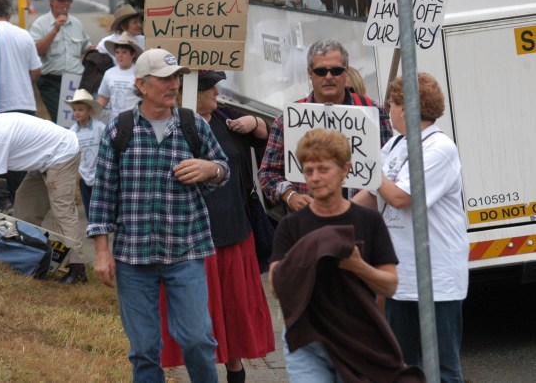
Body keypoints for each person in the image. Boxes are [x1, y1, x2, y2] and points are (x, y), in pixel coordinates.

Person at [87, 48, 230, 382]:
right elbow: (103, 196)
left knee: (197, 340)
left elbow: (224, 170)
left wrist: (211, 168)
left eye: (175, 77)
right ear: (142, 84)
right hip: (133, 257)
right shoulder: (118, 130)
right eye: (164, 79)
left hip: (186, 250)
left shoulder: (192, 125)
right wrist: (102, 252)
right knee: (144, 350)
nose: (173, 85)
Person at [269, 129, 414, 383]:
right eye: (309, 170)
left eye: (323, 169)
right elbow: (276, 285)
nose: (315, 178)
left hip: (356, 336)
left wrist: (358, 266)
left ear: (345, 170)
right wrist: (310, 250)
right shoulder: (291, 226)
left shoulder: (368, 221)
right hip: (307, 339)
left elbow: (389, 285)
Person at [353, 73, 468, 383]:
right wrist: (332, 215)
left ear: (404, 109)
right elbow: (373, 194)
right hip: (401, 277)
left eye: (391, 104)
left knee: (442, 370)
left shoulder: (439, 149)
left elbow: (400, 196)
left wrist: (366, 163)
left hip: (436, 279)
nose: (388, 110)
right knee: (403, 368)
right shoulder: (396, 143)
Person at [160, 70, 273, 383]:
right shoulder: (173, 126)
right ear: (192, 94)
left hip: (235, 231)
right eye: (210, 88)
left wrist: (258, 125)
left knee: (233, 310)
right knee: (201, 315)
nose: (216, 94)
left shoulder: (228, 118)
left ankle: (235, 370)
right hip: (193, 239)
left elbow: (273, 148)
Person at [0, 108, 88, 284]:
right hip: (45, 156)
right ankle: (29, 254)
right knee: (24, 201)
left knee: (62, 211)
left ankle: (78, 270)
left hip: (62, 153)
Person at [259, 38, 392, 216]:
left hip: (362, 221)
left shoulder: (374, 113)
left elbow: (392, 167)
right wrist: (291, 196)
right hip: (308, 226)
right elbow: (268, 173)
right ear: (310, 73)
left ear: (346, 72)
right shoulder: (289, 119)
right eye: (321, 71)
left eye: (336, 70)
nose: (329, 77)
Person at [28, 0, 92, 122]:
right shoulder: (40, 24)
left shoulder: (76, 24)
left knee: (78, 121)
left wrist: (96, 48)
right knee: (62, 121)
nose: (66, 4)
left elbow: (85, 48)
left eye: (68, 0)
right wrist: (54, 30)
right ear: (51, 1)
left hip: (75, 80)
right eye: (62, 0)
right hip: (51, 82)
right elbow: (36, 51)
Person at [0, 0, 42, 115]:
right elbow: (36, 70)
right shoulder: (25, 34)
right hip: (26, 102)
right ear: (10, 14)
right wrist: (25, 84)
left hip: (0, 104)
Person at [82, 5, 144, 96]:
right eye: (135, 22)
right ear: (123, 26)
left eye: (139, 21)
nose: (139, 25)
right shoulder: (106, 43)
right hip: (115, 91)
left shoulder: (144, 40)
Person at [65, 89, 105, 222]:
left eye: (81, 109)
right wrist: (76, 172)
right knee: (86, 200)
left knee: (99, 200)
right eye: (75, 109)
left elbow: (106, 147)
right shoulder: (72, 131)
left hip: (98, 171)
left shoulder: (100, 128)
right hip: (82, 173)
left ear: (90, 111)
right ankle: (91, 225)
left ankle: (101, 222)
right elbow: (72, 153)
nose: (77, 112)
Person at [96, 31, 143, 121]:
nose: (120, 55)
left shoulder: (139, 73)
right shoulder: (109, 73)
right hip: (115, 121)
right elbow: (103, 98)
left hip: (135, 121)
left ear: (133, 54)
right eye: (117, 52)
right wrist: (90, 112)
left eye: (124, 52)